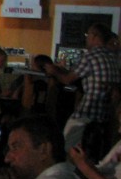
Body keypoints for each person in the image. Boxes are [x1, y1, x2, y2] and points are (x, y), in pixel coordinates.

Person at [39, 21, 121, 152]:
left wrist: (53, 71)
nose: (86, 38)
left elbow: (67, 79)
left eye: (88, 35)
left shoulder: (91, 55)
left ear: (94, 36)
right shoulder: (113, 58)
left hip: (88, 111)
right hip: (105, 115)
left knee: (66, 146)